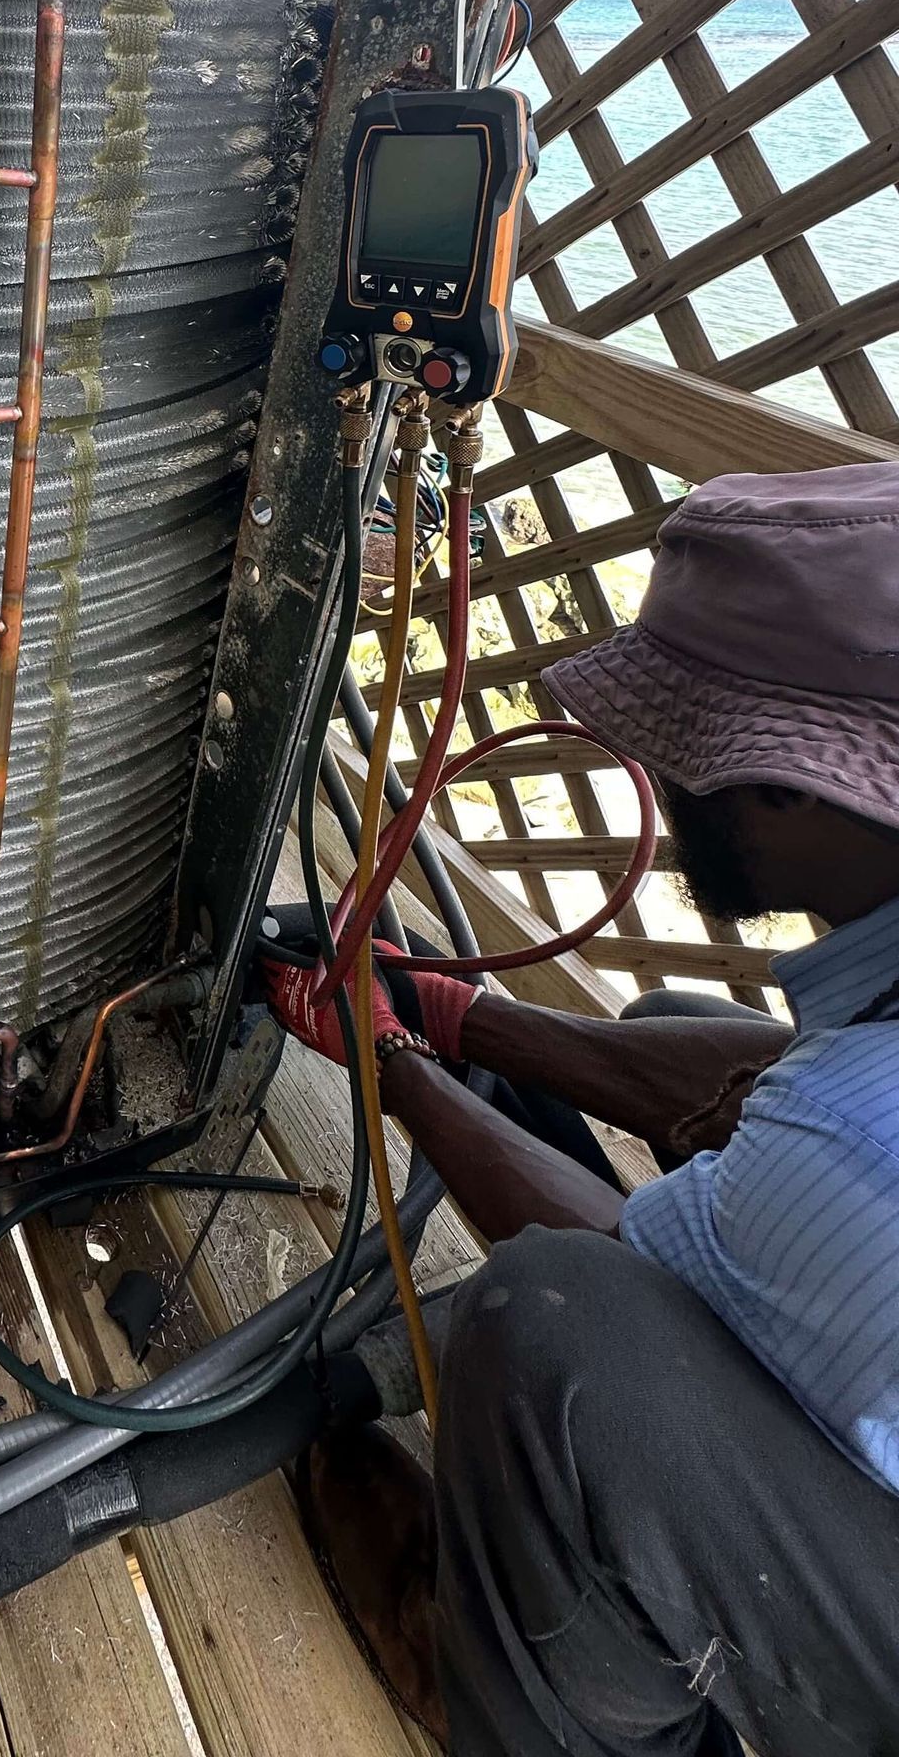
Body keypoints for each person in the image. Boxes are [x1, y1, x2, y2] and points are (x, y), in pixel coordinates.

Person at [265, 461, 899, 1757]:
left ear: (792, 789)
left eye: (681, 742)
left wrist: (391, 1068)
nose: (654, 772)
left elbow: (615, 1269)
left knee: (552, 1334)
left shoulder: (853, 1137)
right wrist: (455, 1016)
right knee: (671, 1030)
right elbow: (774, 1094)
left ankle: (551, 1706)